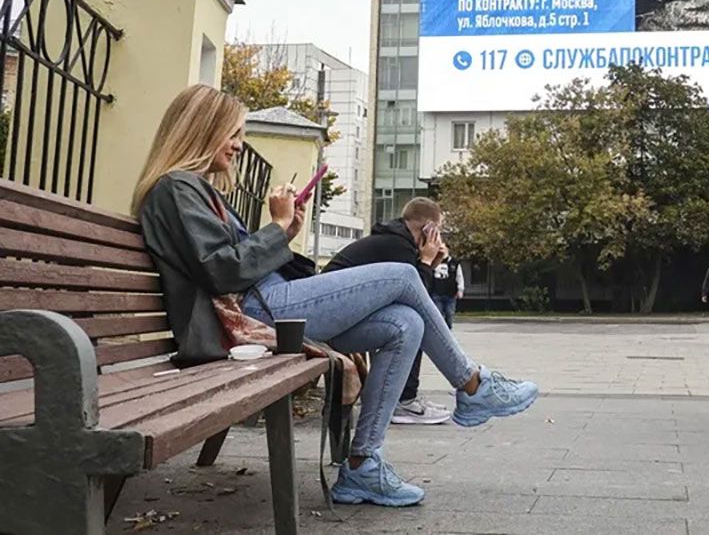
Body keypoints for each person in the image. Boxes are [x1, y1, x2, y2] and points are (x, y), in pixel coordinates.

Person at [134, 85, 538, 508]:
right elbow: (223, 271)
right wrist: (277, 228)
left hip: (265, 303)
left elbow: (228, 262)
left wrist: (284, 232)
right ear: (202, 129)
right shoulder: (176, 189)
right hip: (252, 314)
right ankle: (472, 384)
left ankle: (363, 464)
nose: (238, 145)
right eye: (232, 134)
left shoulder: (191, 190)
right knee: (403, 275)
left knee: (407, 324)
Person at [323, 200, 454, 426]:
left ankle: (397, 398)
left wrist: (430, 264)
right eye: (437, 231)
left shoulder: (395, 241)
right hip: (333, 319)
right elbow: (414, 299)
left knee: (407, 321)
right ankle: (403, 400)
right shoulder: (397, 246)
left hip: (339, 314)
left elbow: (416, 292)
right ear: (428, 230)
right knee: (412, 324)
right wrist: (425, 260)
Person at [432, 254, 464, 327]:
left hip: (450, 293)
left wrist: (460, 289)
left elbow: (459, 276)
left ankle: (448, 329)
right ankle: (440, 332)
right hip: (436, 293)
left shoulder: (454, 263)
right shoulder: (434, 261)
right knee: (437, 315)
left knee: (449, 314)